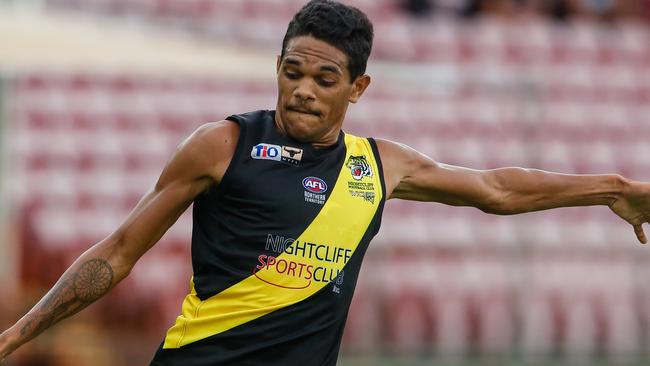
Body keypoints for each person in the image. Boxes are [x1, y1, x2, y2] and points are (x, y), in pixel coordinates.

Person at [1, 0, 649, 364]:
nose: (303, 90)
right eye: (292, 72)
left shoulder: (379, 165)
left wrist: (612, 188)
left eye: (325, 79)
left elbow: (498, 189)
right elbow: (116, 253)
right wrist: (15, 337)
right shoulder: (223, 143)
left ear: (358, 88)